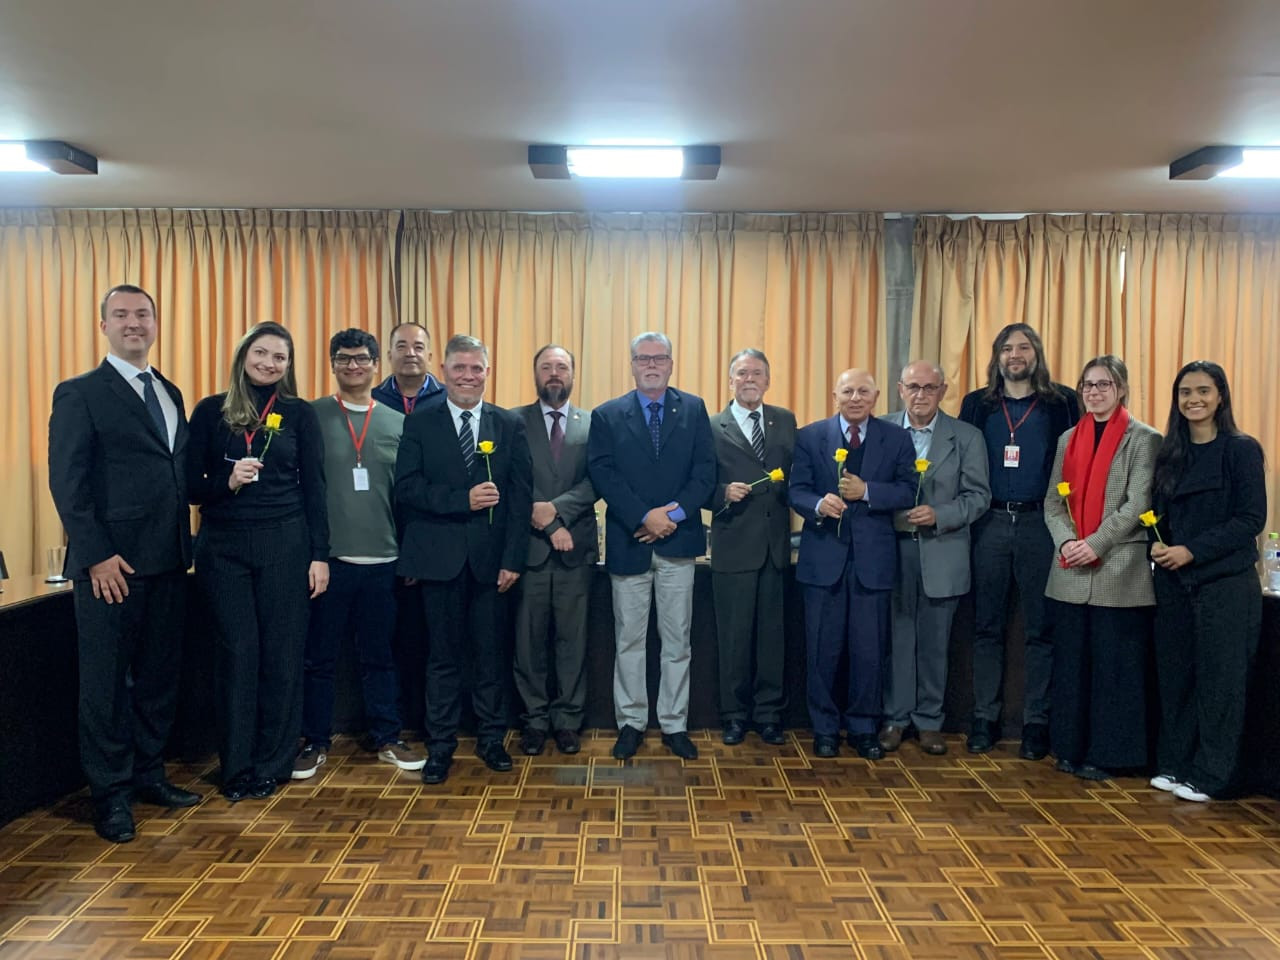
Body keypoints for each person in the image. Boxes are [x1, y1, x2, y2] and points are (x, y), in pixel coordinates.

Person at [48, 284, 200, 843]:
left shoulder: (169, 391)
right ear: (103, 324)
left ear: (157, 323)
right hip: (110, 567)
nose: (133, 323)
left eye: (143, 314)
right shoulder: (80, 392)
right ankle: (109, 796)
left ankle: (148, 775)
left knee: (159, 679)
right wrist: (95, 556)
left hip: (168, 561)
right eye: (122, 315)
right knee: (106, 686)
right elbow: (68, 482)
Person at [188, 321, 330, 802]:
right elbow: (189, 486)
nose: (270, 363)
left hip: (285, 543)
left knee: (282, 656)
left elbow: (315, 488)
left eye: (280, 358)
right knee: (236, 655)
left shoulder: (298, 414)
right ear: (243, 354)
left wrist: (320, 555)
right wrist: (225, 482)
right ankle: (236, 767)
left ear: (289, 367)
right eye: (262, 353)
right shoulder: (211, 411)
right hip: (223, 547)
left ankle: (273, 763)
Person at [394, 334, 532, 785]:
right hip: (439, 561)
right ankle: (441, 747)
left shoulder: (508, 425)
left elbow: (519, 498)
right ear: (445, 370)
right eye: (460, 369)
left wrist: (513, 559)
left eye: (477, 369)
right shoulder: (420, 422)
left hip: (494, 566)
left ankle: (492, 739)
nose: (469, 377)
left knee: (490, 657)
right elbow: (407, 489)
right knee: (443, 659)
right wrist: (462, 499)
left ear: (488, 373)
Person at [292, 330, 425, 781]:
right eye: (344, 359)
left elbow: (406, 496)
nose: (353, 366)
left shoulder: (397, 422)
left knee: (379, 656)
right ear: (332, 364)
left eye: (362, 358)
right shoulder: (310, 416)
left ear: (375, 365)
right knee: (320, 657)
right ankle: (314, 741)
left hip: (383, 560)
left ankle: (387, 737)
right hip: (328, 561)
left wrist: (408, 557)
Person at [587, 332, 717, 761]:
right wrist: (645, 516)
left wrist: (671, 516)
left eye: (659, 358)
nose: (651, 365)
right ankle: (631, 722)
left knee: (677, 639)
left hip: (679, 542)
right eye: (643, 358)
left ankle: (675, 724)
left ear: (671, 363)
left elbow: (705, 471)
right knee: (629, 639)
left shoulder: (694, 409)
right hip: (630, 540)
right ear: (631, 364)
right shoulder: (607, 415)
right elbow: (604, 474)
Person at [959, 323, 1079, 759]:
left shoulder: (1063, 402)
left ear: (1036, 353)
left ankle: (1036, 723)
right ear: (997, 356)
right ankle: (984, 719)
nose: (1015, 355)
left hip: (1041, 525)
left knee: (1041, 629)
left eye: (1023, 347)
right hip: (988, 524)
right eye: (1007, 348)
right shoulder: (977, 405)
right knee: (986, 626)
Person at [1148, 361, 1267, 802]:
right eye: (1185, 393)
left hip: (1225, 584)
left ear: (1221, 396)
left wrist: (1192, 550)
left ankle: (1212, 775)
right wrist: (1157, 545)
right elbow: (1156, 515)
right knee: (1177, 677)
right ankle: (1175, 764)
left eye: (1203, 391)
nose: (1193, 400)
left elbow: (1251, 519)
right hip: (1175, 585)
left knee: (1222, 682)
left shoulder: (1241, 449)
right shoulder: (1171, 452)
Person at [1042, 356, 1161, 781]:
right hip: (1069, 568)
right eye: (1087, 386)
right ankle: (1069, 749)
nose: (1094, 392)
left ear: (1121, 389)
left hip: (1119, 570)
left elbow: (1137, 504)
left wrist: (1093, 544)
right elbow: (1054, 502)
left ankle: (1110, 754)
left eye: (1104, 385)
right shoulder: (1067, 439)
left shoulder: (1144, 439)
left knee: (1115, 669)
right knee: (1072, 666)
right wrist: (1068, 542)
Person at [789, 368, 917, 759]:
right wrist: (817, 504)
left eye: (863, 391)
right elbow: (796, 490)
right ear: (835, 394)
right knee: (822, 650)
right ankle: (825, 728)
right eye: (848, 391)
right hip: (823, 559)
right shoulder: (811, 436)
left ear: (877, 396)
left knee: (868, 650)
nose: (856, 397)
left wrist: (868, 492)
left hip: (872, 563)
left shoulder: (896, 438)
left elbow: (910, 489)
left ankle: (864, 727)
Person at [878, 361, 989, 756]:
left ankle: (929, 721)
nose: (920, 394)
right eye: (913, 387)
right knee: (897, 639)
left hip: (943, 551)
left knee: (934, 644)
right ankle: (895, 717)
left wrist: (941, 515)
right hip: (892, 550)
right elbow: (870, 488)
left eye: (929, 387)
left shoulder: (966, 437)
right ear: (899, 389)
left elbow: (978, 496)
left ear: (943, 391)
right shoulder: (881, 430)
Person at [707, 348, 796, 746]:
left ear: (767, 380)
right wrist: (722, 492)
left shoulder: (786, 421)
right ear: (730, 381)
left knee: (772, 639)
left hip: (776, 549)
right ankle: (734, 715)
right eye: (742, 373)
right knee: (734, 639)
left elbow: (797, 477)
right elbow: (696, 483)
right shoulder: (711, 426)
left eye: (757, 373)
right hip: (733, 546)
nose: (749, 380)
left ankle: (769, 714)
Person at [513, 345, 598, 756]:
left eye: (561, 366)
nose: (553, 373)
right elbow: (512, 481)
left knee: (572, 643)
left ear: (573, 374)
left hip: (575, 553)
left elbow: (597, 480)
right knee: (528, 644)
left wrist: (556, 513)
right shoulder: (513, 421)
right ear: (535, 373)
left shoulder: (591, 423)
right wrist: (544, 521)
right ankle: (534, 720)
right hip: (528, 553)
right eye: (545, 366)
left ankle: (567, 721)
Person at [371, 322, 444, 414]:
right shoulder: (374, 399)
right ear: (390, 356)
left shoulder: (448, 398)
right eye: (401, 347)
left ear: (429, 357)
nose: (410, 353)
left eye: (418, 347)